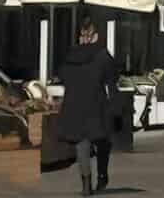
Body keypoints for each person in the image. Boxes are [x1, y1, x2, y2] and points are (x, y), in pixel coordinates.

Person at [58, 16, 119, 196]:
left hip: (74, 105)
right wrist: (115, 107)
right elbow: (111, 81)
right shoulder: (102, 55)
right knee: (103, 140)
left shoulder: (70, 56)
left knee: (81, 144)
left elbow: (62, 77)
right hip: (96, 105)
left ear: (80, 36)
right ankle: (101, 175)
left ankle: (86, 184)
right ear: (95, 36)